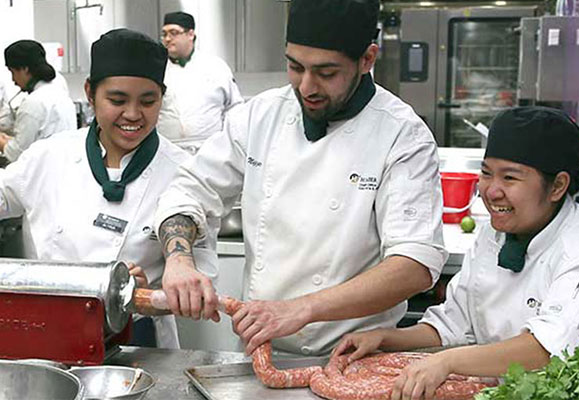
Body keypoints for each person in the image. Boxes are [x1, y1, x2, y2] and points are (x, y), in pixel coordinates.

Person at [154, 0, 447, 357]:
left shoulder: (402, 135)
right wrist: (179, 258)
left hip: (355, 357)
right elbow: (190, 190)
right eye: (295, 67)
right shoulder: (260, 115)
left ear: (367, 59)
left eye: (326, 73)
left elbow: (414, 266)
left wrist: (301, 308)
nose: (307, 87)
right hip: (259, 351)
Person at [333, 106, 579, 400]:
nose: (492, 191)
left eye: (509, 178)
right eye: (486, 173)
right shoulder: (493, 235)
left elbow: (545, 351)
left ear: (557, 186)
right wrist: (386, 338)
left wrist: (447, 361)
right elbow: (453, 326)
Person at [0, 29, 218, 348]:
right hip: (47, 334)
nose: (132, 114)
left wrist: (148, 293)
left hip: (140, 344)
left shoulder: (184, 172)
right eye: (117, 100)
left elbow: (201, 284)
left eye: (148, 101)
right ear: (90, 93)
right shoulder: (50, 156)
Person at [157, 11, 243, 144]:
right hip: (168, 148)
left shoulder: (215, 66)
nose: (167, 39)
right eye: (164, 34)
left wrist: (228, 140)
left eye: (173, 33)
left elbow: (235, 107)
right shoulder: (157, 68)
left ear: (190, 34)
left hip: (209, 148)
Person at [0, 40, 76, 162]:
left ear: (25, 69)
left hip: (43, 173)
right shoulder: (59, 92)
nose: (13, 79)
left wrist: (1, 141)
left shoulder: (33, 103)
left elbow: (17, 154)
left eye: (13, 72)